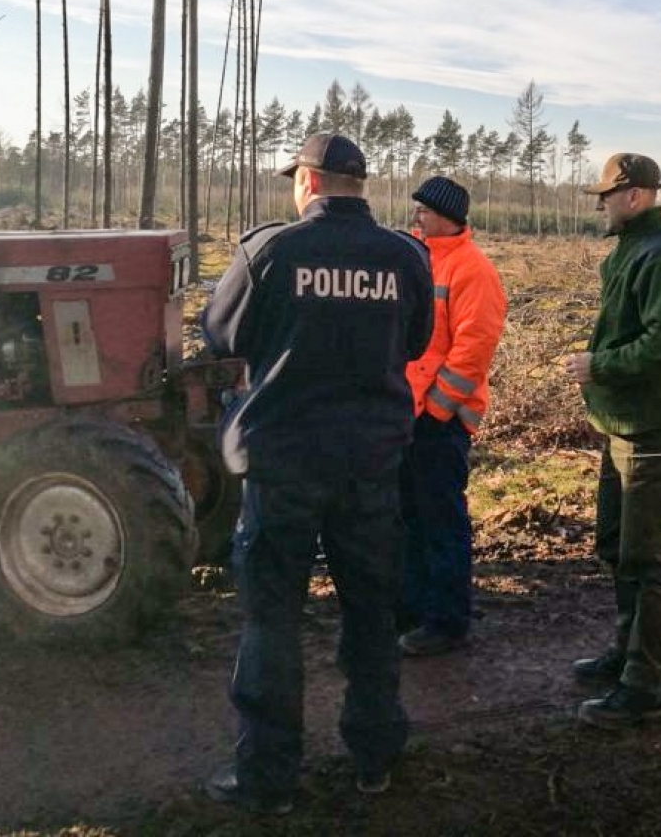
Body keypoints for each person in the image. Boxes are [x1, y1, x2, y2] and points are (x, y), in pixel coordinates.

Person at [199, 132, 434, 813]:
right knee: (370, 614)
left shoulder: (270, 250)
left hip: (283, 465)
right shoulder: (403, 256)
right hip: (369, 463)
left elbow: (222, 335)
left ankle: (268, 779)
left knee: (271, 621)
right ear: (359, 184)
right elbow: (414, 340)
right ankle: (375, 758)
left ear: (307, 181)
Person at [562, 152, 661, 729]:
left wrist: (600, 365)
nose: (600, 204)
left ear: (637, 196)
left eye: (607, 195)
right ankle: (625, 655)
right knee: (616, 547)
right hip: (618, 424)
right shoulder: (631, 250)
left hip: (647, 427)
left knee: (644, 561)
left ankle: (643, 686)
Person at [397, 176, 507, 657]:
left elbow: (472, 350)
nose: (415, 217)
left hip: (439, 422)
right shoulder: (419, 259)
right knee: (410, 517)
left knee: (441, 519)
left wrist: (438, 411)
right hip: (410, 415)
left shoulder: (472, 269)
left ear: (445, 216)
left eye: (423, 210)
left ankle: (446, 620)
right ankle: (414, 610)